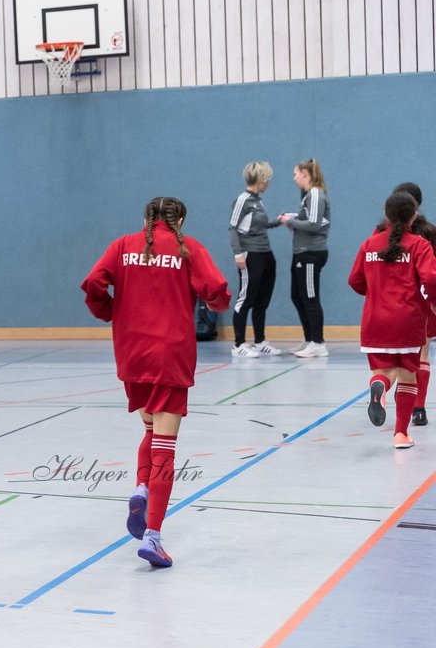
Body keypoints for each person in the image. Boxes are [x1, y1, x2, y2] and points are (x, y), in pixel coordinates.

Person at [82, 197, 231, 567]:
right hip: (170, 355)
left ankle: (141, 487)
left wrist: (108, 310)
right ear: (179, 219)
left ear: (145, 218)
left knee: (150, 429)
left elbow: (93, 284)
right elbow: (218, 290)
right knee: (165, 446)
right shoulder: (188, 248)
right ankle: (153, 536)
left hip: (132, 354)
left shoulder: (122, 246)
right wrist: (214, 304)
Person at [350, 191, 436, 449]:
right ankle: (400, 434)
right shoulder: (419, 245)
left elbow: (354, 280)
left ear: (386, 215)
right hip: (407, 320)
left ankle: (378, 386)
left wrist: (377, 294)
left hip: (374, 321)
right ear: (414, 215)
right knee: (408, 374)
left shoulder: (370, 244)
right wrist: (429, 298)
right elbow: (431, 278)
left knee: (383, 371)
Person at [374, 183, 436, 428]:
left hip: (390, 304)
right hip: (422, 302)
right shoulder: (429, 232)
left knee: (394, 362)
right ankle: (418, 409)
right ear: (416, 208)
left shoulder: (379, 234)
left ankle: (390, 398)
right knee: (422, 353)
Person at [228, 162, 282, 357]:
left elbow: (258, 226)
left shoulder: (258, 200)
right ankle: (239, 344)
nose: (268, 183)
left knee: (262, 299)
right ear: (259, 181)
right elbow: (233, 227)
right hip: (250, 254)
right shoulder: (243, 200)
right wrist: (238, 253)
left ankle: (259, 341)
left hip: (265, 252)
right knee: (246, 298)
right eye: (266, 180)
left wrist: (278, 222)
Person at [278, 159, 331, 357]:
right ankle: (309, 338)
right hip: (301, 252)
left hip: (311, 253)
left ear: (305, 174)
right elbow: (308, 219)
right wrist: (292, 218)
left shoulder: (316, 194)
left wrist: (290, 221)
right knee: (297, 295)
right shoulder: (307, 196)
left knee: (310, 297)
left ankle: (318, 342)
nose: (294, 178)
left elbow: (315, 224)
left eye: (296, 174)